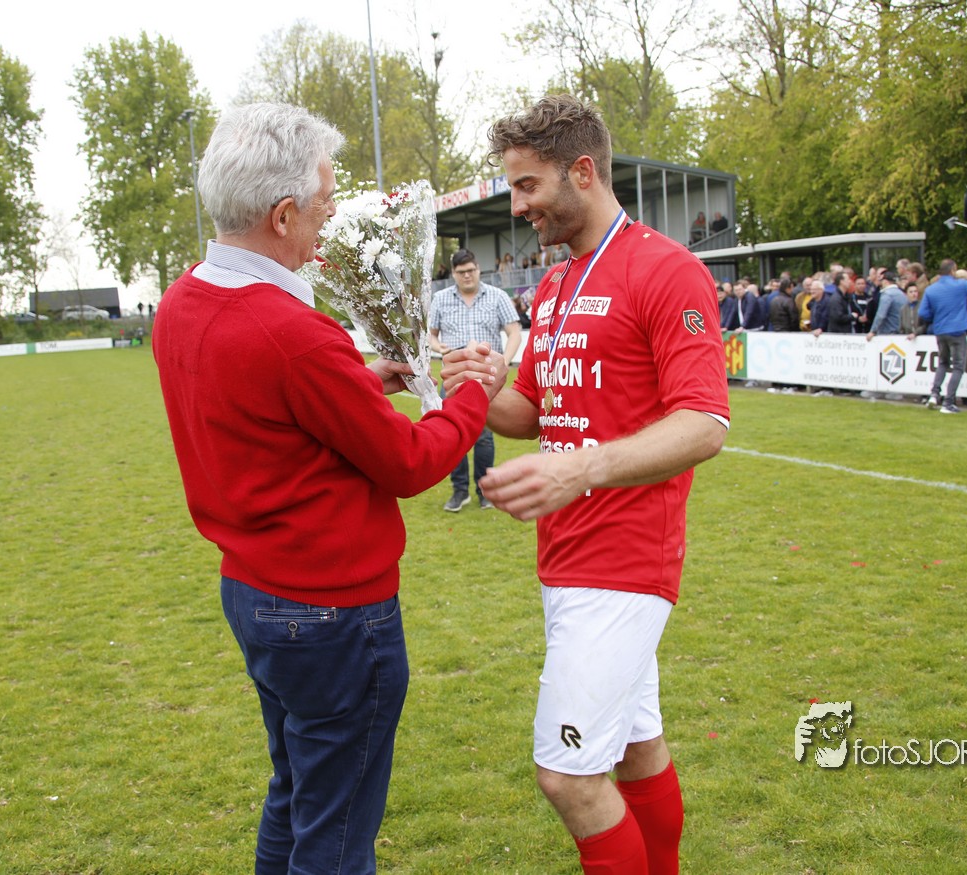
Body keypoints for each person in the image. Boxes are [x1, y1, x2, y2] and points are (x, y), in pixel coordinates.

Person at [152, 102, 490, 874]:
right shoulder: (292, 333)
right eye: (324, 200)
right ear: (281, 215)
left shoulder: (182, 301)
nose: (331, 214)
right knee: (335, 834)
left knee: (298, 792)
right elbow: (408, 462)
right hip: (331, 613)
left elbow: (266, 406)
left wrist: (356, 380)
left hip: (254, 590)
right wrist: (473, 393)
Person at [442, 94, 729, 875]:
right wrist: (455, 388)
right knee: (636, 749)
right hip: (568, 555)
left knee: (568, 777)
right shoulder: (557, 285)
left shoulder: (666, 270)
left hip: (624, 560)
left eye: (526, 185)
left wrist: (581, 467)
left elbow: (704, 422)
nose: (517, 205)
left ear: (580, 172)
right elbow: (527, 411)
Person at [429, 248, 522, 512]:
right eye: (461, 272)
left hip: (486, 376)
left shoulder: (497, 296)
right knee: (452, 434)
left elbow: (514, 332)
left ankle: (484, 490)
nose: (467, 276)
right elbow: (431, 334)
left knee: (484, 437)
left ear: (478, 269)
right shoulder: (440, 298)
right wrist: (438, 346)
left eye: (471, 270)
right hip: (454, 375)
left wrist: (505, 360)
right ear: (453, 274)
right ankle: (459, 491)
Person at [917, 257, 967, 413]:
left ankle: (934, 394)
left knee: (943, 363)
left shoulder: (931, 289)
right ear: (953, 270)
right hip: (957, 330)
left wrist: (937, 317)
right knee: (958, 366)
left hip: (940, 331)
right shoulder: (960, 285)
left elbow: (923, 312)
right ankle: (948, 402)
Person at [864, 270, 906, 340]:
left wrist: (873, 331)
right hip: (900, 331)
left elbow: (881, 315)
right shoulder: (902, 294)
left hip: (888, 332)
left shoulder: (887, 294)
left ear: (885, 281)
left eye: (881, 281)